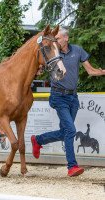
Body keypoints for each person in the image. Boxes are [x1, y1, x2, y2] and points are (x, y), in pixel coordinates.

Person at [31, 27, 105, 177]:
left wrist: (102, 72)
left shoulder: (77, 51)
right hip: (58, 97)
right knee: (71, 130)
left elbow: (90, 71)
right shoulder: (52, 52)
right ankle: (72, 166)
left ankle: (38, 140)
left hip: (73, 98)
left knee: (65, 132)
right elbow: (39, 68)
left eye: (58, 38)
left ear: (66, 38)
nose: (55, 41)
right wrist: (38, 70)